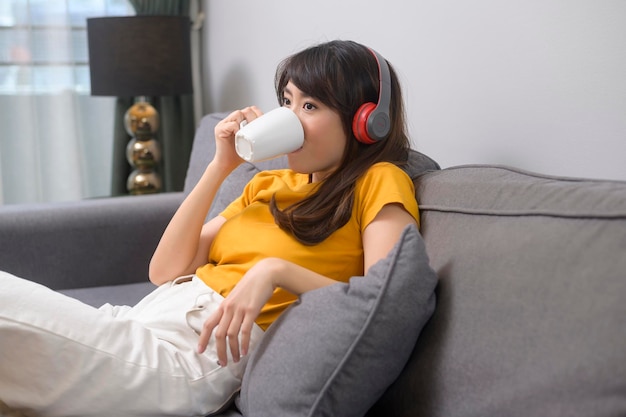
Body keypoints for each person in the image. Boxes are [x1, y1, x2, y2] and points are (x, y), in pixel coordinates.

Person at [0, 40, 419, 416]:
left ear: (365, 122)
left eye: (310, 107)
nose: (292, 118)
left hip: (185, 361)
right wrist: (220, 167)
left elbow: (383, 299)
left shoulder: (378, 181)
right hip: (138, 324)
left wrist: (275, 272)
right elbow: (164, 270)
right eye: (287, 102)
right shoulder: (266, 184)